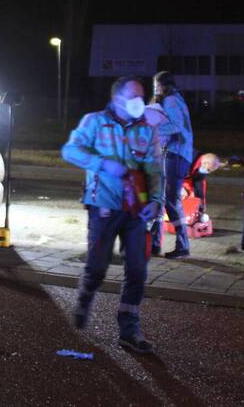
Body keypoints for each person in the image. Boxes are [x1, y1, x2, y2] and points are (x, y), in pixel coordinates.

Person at [62, 75, 163, 354]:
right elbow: (70, 150)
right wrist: (103, 164)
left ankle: (129, 329)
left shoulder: (146, 129)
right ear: (117, 99)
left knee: (138, 270)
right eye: (134, 97)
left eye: (142, 96)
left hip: (136, 210)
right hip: (103, 206)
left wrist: (156, 201)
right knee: (97, 265)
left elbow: (155, 168)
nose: (139, 102)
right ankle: (85, 296)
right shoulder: (94, 121)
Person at [145, 71, 194, 259]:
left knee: (172, 200)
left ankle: (183, 246)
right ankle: (155, 244)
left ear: (163, 85)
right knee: (161, 198)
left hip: (177, 154)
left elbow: (176, 127)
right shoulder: (172, 99)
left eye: (156, 84)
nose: (155, 88)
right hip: (172, 154)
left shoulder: (172, 100)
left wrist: (152, 127)